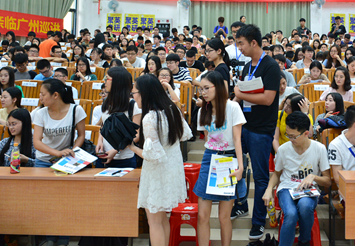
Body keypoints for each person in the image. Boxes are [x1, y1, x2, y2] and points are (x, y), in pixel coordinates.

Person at [125, 74, 191, 246]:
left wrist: (132, 147)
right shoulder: (172, 109)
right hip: (173, 169)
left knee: (154, 222)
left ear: (144, 93)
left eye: (134, 93)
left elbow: (153, 155)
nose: (133, 97)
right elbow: (185, 134)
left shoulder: (150, 118)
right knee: (162, 220)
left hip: (157, 173)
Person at [231, 24, 280, 239]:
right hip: (243, 125)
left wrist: (240, 95)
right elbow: (240, 94)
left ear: (253, 42)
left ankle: (258, 222)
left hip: (261, 130)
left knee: (260, 178)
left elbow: (268, 99)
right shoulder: (246, 67)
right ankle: (241, 204)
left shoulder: (270, 66)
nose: (239, 48)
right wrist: (233, 102)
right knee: (235, 168)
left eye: (241, 43)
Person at [262, 112, 330, 246]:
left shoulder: (319, 148)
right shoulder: (283, 149)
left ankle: (304, 241)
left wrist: (314, 177)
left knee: (305, 206)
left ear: (306, 133)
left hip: (308, 190)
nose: (290, 139)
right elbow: (276, 174)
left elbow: (327, 181)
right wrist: (269, 189)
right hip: (287, 188)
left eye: (293, 136)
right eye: (288, 135)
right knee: (291, 214)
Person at [32, 79, 86, 246]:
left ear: (55, 95)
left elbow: (81, 136)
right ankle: (49, 237)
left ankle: (64, 239)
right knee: (46, 202)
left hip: (66, 163)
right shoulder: (40, 113)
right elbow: (37, 142)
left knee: (66, 201)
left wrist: (72, 151)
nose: (40, 97)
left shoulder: (76, 110)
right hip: (44, 161)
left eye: (43, 94)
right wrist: (57, 153)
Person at [195, 72, 245, 246]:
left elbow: (237, 139)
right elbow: (207, 138)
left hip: (229, 158)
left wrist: (240, 167)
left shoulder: (233, 107)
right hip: (209, 158)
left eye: (206, 88)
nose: (203, 92)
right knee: (202, 215)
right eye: (201, 89)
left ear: (217, 87)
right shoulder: (202, 110)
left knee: (224, 216)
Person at [95, 67, 141, 168]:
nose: (104, 82)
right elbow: (103, 126)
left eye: (107, 78)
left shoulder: (133, 106)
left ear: (117, 82)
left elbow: (137, 135)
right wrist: (99, 141)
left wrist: (116, 150)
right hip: (104, 156)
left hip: (124, 159)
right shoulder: (106, 102)